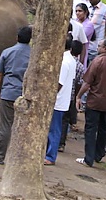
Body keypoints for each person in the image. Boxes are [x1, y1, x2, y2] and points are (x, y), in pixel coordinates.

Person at [75, 39, 106, 167]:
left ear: (105, 48)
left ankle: (89, 158)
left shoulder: (97, 61)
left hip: (94, 101)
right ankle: (98, 155)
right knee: (104, 129)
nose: (97, 48)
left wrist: (79, 96)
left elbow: (87, 83)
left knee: (91, 129)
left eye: (99, 46)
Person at [0, 25, 32, 164]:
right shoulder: (34, 55)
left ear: (17, 37)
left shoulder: (7, 52)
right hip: (26, 95)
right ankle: (19, 159)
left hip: (8, 93)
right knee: (23, 128)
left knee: (5, 126)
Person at [45, 35, 77, 165]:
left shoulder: (64, 62)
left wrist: (50, 96)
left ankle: (50, 156)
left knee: (54, 129)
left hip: (57, 101)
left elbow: (59, 83)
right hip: (63, 99)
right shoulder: (72, 59)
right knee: (54, 128)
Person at [59, 39, 86, 153]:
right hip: (71, 96)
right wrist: (76, 96)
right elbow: (80, 83)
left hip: (61, 95)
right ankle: (61, 143)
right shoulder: (80, 67)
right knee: (65, 120)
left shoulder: (64, 61)